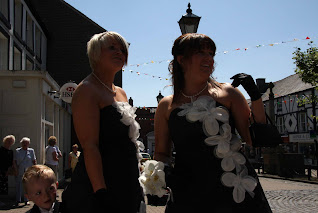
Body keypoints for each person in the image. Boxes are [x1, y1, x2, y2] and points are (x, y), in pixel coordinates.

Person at [152, 33, 272, 212]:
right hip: (189, 191)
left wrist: (255, 97)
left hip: (233, 188)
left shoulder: (228, 93)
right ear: (181, 59)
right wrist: (161, 173)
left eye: (211, 53)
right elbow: (161, 152)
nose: (208, 58)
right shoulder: (166, 105)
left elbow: (254, 138)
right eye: (201, 52)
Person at [62, 31, 145, 213]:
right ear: (95, 53)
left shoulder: (121, 92)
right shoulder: (87, 90)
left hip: (126, 183)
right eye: (112, 48)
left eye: (122, 49)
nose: (120, 52)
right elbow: (90, 146)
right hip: (101, 186)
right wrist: (101, 193)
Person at [14, 137, 37, 207]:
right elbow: (14, 161)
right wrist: (16, 169)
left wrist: (35, 169)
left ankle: (26, 200)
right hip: (20, 170)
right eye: (24, 143)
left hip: (28, 171)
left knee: (27, 186)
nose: (25, 144)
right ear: (21, 143)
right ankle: (18, 200)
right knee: (19, 185)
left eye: (26, 143)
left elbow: (34, 160)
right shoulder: (17, 151)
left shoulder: (31, 151)